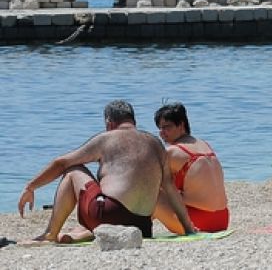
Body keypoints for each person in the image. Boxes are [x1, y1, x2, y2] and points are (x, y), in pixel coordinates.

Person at [18, 100, 194, 243]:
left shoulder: (106, 139)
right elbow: (170, 189)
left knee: (73, 170)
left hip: (108, 215)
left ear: (109, 123)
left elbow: (61, 163)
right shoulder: (156, 144)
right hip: (143, 226)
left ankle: (50, 233)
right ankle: (83, 232)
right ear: (133, 121)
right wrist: (188, 229)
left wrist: (31, 187)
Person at [152, 103, 229, 234]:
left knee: (153, 192)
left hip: (199, 221)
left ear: (181, 125)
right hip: (222, 219)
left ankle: (137, 225)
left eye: (166, 128)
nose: (162, 133)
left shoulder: (173, 152)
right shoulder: (204, 144)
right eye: (160, 128)